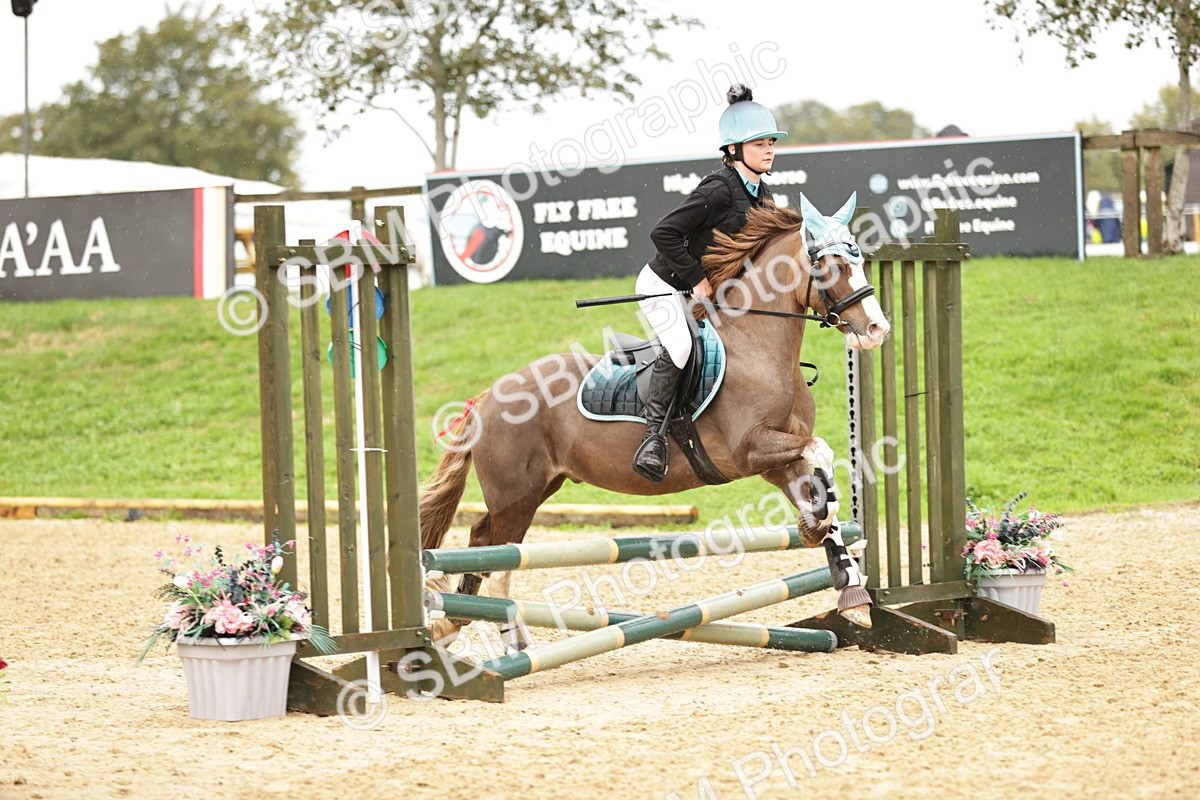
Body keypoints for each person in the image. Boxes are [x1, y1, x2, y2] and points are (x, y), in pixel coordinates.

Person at [631, 84, 787, 482]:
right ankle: (653, 438)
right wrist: (696, 278)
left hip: (707, 292)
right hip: (664, 283)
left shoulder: (763, 196)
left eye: (771, 143)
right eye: (759, 144)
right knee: (682, 344)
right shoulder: (717, 190)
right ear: (733, 149)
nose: (769, 150)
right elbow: (663, 233)